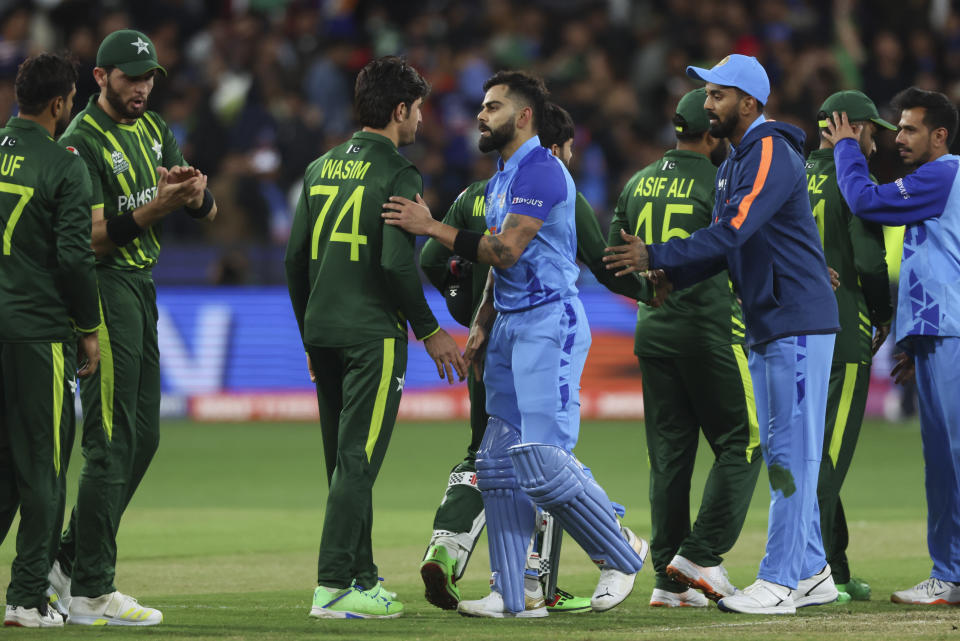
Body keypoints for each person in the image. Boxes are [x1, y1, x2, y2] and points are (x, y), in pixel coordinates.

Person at [383, 70, 647, 619]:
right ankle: (511, 592)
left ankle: (620, 549)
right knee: (498, 461)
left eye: (493, 107)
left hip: (550, 325)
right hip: (507, 325)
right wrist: (481, 321)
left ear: (523, 116)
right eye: (482, 106)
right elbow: (501, 273)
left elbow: (504, 251)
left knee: (542, 459)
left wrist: (430, 227)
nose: (480, 115)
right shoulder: (501, 176)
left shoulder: (544, 172)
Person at [603, 54, 840, 615]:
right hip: (771, 321)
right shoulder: (737, 161)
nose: (706, 103)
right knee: (786, 452)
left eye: (718, 94)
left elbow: (733, 231)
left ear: (750, 103)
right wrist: (668, 275)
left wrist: (656, 253)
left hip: (797, 321)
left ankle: (780, 580)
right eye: (706, 94)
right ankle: (812, 572)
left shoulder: (767, 152)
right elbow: (721, 243)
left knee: (792, 456)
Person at [285, 55, 465, 620]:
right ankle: (334, 585)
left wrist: (311, 339)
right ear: (399, 110)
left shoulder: (319, 168)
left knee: (343, 465)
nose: (420, 122)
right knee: (358, 463)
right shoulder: (398, 173)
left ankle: (363, 577)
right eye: (417, 110)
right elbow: (395, 265)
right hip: (371, 336)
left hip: (325, 330)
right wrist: (431, 330)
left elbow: (295, 261)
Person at [48, 29, 217, 627]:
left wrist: (195, 195)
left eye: (148, 77)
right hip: (104, 290)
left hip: (143, 290)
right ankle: (91, 593)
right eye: (129, 76)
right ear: (100, 77)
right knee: (110, 441)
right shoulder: (80, 142)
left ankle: (64, 564)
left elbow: (202, 206)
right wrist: (160, 208)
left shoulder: (152, 130)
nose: (142, 87)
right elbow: (89, 236)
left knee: (143, 440)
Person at [608, 87, 762, 608]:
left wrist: (647, 292)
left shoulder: (637, 181)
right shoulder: (723, 179)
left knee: (669, 459)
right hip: (710, 329)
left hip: (653, 334)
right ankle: (700, 557)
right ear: (713, 131)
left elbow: (610, 258)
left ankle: (669, 584)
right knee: (745, 442)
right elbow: (737, 245)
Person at [823, 86, 960, 606]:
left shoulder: (942, 173)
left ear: (939, 136)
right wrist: (916, 338)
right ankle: (949, 573)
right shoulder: (940, 182)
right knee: (945, 459)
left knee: (950, 460)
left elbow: (864, 201)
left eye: (909, 129)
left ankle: (949, 573)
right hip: (938, 332)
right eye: (897, 128)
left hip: (951, 333)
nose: (899, 137)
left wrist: (846, 148)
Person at [0, 52, 100, 629]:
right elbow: (73, 257)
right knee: (43, 469)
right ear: (61, 103)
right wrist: (87, 330)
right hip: (36, 334)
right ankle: (27, 597)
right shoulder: (64, 165)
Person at [805, 90, 895, 603]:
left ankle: (834, 566)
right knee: (829, 457)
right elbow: (868, 260)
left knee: (813, 452)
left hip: (795, 332)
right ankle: (809, 571)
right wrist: (881, 314)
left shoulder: (790, 172)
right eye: (873, 131)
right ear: (852, 129)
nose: (877, 142)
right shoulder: (854, 179)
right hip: (844, 333)